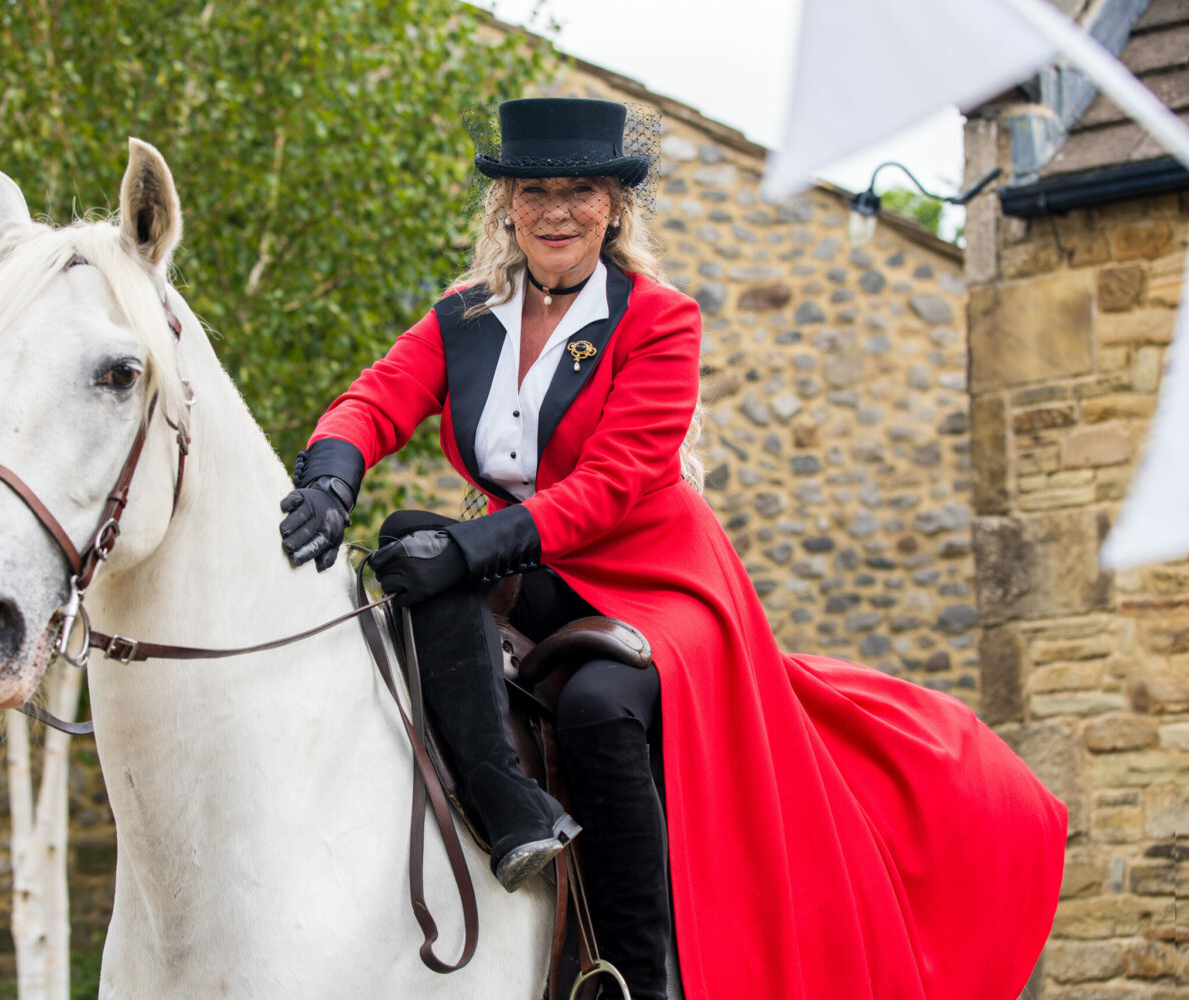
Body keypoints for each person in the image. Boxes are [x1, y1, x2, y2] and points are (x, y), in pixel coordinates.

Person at [278, 97, 1067, 1000]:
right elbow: (375, 400)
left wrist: (469, 552)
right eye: (535, 191)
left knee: (600, 705)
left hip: (658, 578)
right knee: (407, 538)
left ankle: (637, 977)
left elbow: (614, 485)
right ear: (507, 207)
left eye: (580, 190)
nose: (556, 210)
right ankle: (506, 805)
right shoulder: (464, 317)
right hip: (529, 565)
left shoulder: (659, 319)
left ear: (614, 206)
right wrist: (330, 480)